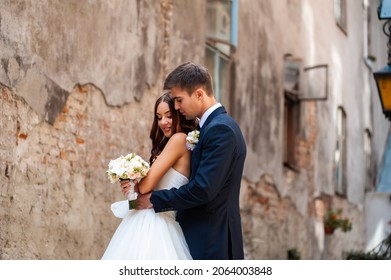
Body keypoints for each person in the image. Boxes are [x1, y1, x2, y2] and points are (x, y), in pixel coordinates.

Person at [137, 62, 247, 260]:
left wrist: (154, 200)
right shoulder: (208, 129)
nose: (176, 107)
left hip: (212, 240)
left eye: (179, 100)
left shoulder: (221, 130)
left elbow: (203, 189)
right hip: (199, 236)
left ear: (198, 94)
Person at [101, 92, 197, 260]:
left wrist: (136, 183)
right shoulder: (176, 143)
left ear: (179, 115)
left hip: (156, 224)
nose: (163, 122)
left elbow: (146, 187)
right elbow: (136, 200)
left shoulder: (179, 139)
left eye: (169, 116)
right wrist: (131, 188)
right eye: (158, 117)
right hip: (150, 218)